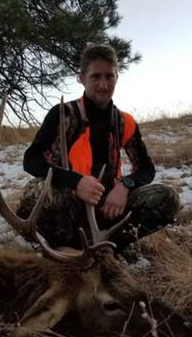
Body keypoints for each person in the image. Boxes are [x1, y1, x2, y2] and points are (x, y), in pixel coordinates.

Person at [17, 43, 180, 257]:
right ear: (81, 78)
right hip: (68, 206)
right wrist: (75, 182)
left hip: (108, 208)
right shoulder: (63, 114)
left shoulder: (124, 122)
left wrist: (125, 186)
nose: (103, 85)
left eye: (109, 76)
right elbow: (32, 160)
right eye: (95, 77)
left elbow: (146, 169)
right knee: (37, 191)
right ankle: (64, 247)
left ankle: (109, 247)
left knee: (167, 198)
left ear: (117, 78)